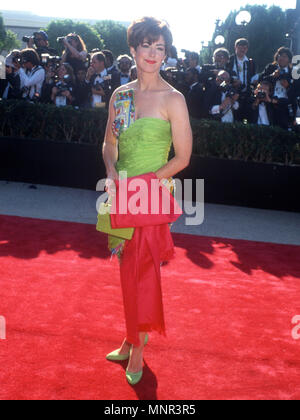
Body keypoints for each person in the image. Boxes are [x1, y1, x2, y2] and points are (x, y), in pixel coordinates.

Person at [101, 16, 192, 386]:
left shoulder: (174, 99)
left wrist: (146, 182)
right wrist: (110, 171)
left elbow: (183, 158)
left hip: (150, 194)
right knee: (127, 267)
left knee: (143, 270)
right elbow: (110, 143)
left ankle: (137, 347)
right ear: (133, 49)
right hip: (120, 192)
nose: (153, 54)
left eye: (160, 48)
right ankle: (130, 334)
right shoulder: (120, 95)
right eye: (146, 46)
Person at [259, 47, 294, 130]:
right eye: (280, 55)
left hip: (285, 104)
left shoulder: (293, 71)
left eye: (285, 56)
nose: (281, 58)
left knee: (284, 128)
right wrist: (272, 76)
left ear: (289, 59)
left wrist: (288, 86)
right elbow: (261, 80)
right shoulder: (271, 67)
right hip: (270, 101)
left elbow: (296, 90)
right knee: (269, 127)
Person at [228, 39, 256, 122]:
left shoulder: (251, 62)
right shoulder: (230, 60)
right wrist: (233, 81)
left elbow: (253, 76)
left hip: (246, 94)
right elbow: (225, 74)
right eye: (240, 47)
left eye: (245, 47)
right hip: (232, 93)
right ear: (235, 47)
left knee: (245, 119)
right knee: (233, 118)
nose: (242, 49)